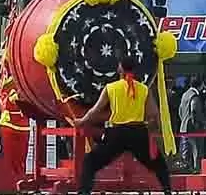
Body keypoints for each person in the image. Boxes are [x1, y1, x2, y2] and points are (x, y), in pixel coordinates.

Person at [73, 57, 172, 195]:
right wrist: (154, 129)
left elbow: (94, 111)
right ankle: (167, 190)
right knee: (158, 163)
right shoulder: (144, 89)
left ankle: (84, 192)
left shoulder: (111, 88)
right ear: (134, 70)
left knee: (91, 160)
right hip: (138, 132)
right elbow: (154, 113)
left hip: (117, 133)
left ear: (120, 69)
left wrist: (81, 121)